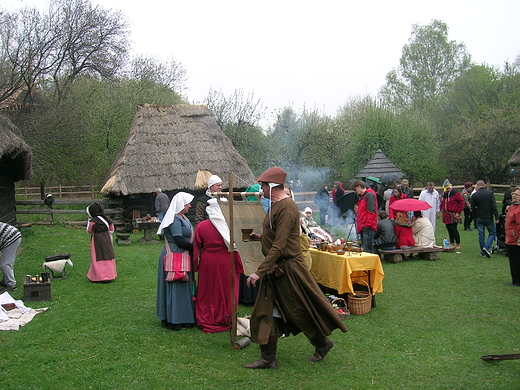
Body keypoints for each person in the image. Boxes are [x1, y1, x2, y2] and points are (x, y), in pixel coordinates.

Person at [243, 167, 348, 369]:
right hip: (276, 269)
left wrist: (258, 272)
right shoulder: (276, 205)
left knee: (298, 311)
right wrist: (261, 237)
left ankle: (322, 343)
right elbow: (279, 237)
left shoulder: (287, 207)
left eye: (264, 185)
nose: (261, 189)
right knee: (266, 311)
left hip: (287, 270)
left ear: (273, 186)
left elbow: (281, 244)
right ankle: (268, 358)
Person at [193, 199, 244, 333]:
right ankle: (226, 315)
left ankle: (208, 315)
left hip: (208, 262)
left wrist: (195, 265)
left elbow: (196, 246)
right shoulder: (230, 225)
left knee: (209, 289)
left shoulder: (202, 226)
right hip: (226, 260)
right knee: (227, 289)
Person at [156, 192, 196, 330]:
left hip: (183, 254)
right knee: (175, 285)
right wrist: (197, 248)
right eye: (187, 203)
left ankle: (184, 317)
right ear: (181, 205)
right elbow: (179, 239)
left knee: (183, 286)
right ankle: (175, 319)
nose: (190, 206)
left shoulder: (183, 217)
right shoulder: (174, 219)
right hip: (174, 254)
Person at [86, 202, 117, 282]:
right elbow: (112, 230)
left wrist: (89, 221)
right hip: (107, 239)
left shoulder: (93, 221)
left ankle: (100, 277)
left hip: (96, 240)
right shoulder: (107, 219)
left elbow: (89, 231)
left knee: (97, 256)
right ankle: (109, 275)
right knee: (108, 255)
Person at [470, 180, 499, 258]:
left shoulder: (475, 195)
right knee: (492, 233)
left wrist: (475, 216)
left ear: (477, 186)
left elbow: (472, 208)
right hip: (488, 217)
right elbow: (494, 206)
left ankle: (483, 252)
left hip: (479, 217)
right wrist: (496, 217)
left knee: (481, 234)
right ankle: (486, 247)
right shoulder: (490, 194)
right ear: (484, 186)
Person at [350, 180, 378, 253]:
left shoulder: (369, 195)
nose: (355, 192)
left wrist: (367, 224)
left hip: (368, 226)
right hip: (363, 225)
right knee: (365, 248)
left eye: (355, 189)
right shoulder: (362, 197)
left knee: (367, 249)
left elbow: (372, 211)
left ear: (359, 187)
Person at [440, 180, 465, 250]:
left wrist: (458, 212)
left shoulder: (455, 193)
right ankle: (451, 242)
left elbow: (461, 202)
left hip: (453, 214)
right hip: (446, 214)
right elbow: (443, 202)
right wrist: (441, 208)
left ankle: (458, 243)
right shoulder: (445, 194)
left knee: (453, 229)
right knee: (449, 228)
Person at [504, 187, 520, 286]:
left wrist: (518, 236)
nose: (514, 196)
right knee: (512, 260)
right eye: (513, 194)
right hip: (509, 237)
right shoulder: (511, 207)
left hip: (516, 239)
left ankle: (517, 280)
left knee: (516, 260)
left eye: (516, 194)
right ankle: (514, 279)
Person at [0, 222, 21, 293]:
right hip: (12, 235)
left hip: (10, 238)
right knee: (6, 262)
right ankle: (6, 280)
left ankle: (11, 285)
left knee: (5, 263)